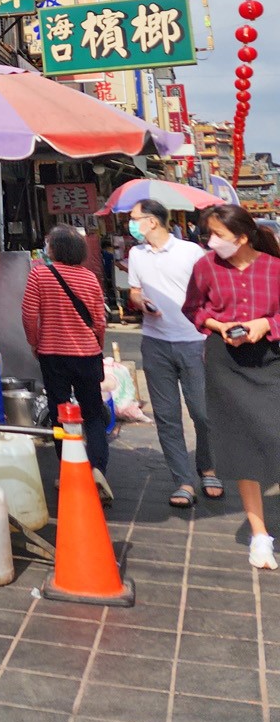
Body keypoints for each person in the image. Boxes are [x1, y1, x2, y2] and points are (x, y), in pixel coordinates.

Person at [184, 203, 280, 570]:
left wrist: (266, 324)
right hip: (226, 362)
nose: (211, 243)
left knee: (273, 434)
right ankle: (259, 535)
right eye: (208, 235)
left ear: (241, 237)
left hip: (271, 359)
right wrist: (218, 325)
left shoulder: (274, 268)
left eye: (218, 236)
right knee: (242, 446)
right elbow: (193, 308)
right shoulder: (205, 267)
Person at [126, 197, 220, 508]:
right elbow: (135, 290)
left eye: (134, 218)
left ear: (151, 221)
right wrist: (141, 303)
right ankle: (182, 480)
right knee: (166, 417)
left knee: (203, 412)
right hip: (155, 344)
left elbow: (211, 290)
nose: (132, 223)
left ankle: (208, 468)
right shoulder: (136, 254)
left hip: (194, 342)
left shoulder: (190, 252)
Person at [21, 224, 112, 502]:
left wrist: (35, 342)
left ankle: (68, 472)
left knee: (61, 413)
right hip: (87, 354)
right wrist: (98, 345)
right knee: (93, 414)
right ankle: (97, 469)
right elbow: (99, 320)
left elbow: (28, 313)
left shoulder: (40, 274)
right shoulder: (89, 278)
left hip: (53, 355)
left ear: (54, 249)